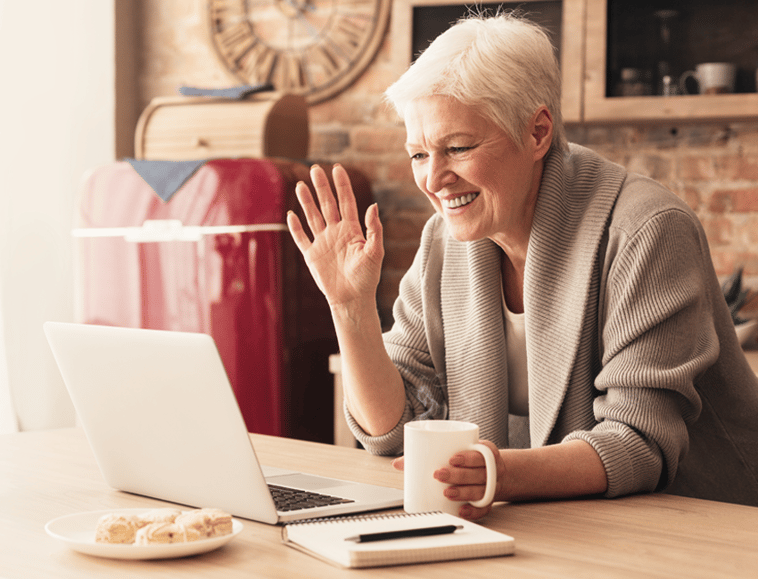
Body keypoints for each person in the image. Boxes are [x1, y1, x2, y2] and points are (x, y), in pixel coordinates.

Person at [286, 12, 758, 518]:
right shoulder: (443, 242)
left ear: (537, 132)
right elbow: (397, 428)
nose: (434, 179)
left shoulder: (647, 230)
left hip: (705, 525)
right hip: (562, 523)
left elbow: (639, 441)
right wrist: (350, 307)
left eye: (459, 147)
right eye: (419, 154)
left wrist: (497, 475)